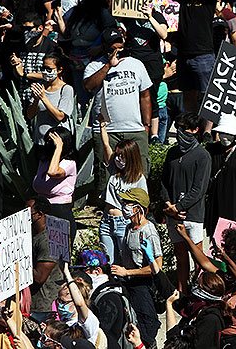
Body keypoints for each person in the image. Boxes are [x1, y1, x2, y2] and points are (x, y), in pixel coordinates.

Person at [84, 27, 152, 202]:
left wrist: (147, 125)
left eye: (120, 47)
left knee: (140, 169)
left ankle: (140, 207)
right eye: (113, 48)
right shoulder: (94, 65)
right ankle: (108, 210)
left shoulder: (136, 64)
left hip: (134, 128)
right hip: (106, 131)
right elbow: (88, 86)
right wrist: (108, 65)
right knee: (105, 172)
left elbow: (145, 95)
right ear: (105, 47)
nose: (118, 51)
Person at [160, 0, 218, 121]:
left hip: (203, 54)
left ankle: (207, 133)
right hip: (184, 55)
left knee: (207, 97)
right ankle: (192, 128)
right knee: (189, 96)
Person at [161, 111, 211, 292]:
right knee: (180, 257)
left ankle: (200, 292)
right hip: (174, 216)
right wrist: (168, 205)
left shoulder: (203, 156)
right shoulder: (172, 152)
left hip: (193, 216)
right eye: (178, 127)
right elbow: (164, 182)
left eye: (184, 128)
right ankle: (182, 293)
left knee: (198, 258)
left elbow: (199, 189)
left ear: (196, 129)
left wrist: (179, 207)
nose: (180, 131)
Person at [110, 188, 163, 348]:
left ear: (138, 208)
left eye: (127, 203)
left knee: (146, 329)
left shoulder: (148, 231)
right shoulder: (128, 228)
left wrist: (127, 272)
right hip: (128, 284)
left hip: (143, 288)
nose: (124, 206)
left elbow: (157, 268)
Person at [119, 0, 168, 145]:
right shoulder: (128, 16)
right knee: (135, 98)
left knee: (151, 98)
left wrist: (150, 17)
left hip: (152, 64)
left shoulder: (157, 14)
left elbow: (164, 34)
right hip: (134, 62)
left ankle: (154, 135)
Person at [98, 116, 147, 265]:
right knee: (108, 261)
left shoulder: (139, 178)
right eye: (117, 155)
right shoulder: (114, 167)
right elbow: (106, 144)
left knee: (125, 261)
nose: (118, 159)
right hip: (106, 220)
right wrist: (102, 126)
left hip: (123, 222)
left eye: (122, 156)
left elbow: (143, 204)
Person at [33, 127, 77, 244]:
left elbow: (52, 172)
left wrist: (58, 147)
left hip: (59, 210)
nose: (48, 143)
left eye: (52, 141)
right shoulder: (44, 161)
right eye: (47, 140)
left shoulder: (69, 164)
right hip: (42, 209)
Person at [26, 49, 74, 147]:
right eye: (43, 68)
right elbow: (30, 115)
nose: (45, 72)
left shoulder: (66, 89)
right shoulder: (39, 86)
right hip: (39, 141)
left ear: (59, 70)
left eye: (49, 69)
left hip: (57, 142)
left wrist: (43, 98)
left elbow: (59, 117)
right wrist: (36, 100)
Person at [28, 196, 63, 323]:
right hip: (34, 303)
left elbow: (39, 277)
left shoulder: (49, 240)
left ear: (39, 214)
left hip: (44, 307)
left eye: (27, 213)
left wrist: (17, 261)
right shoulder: (33, 235)